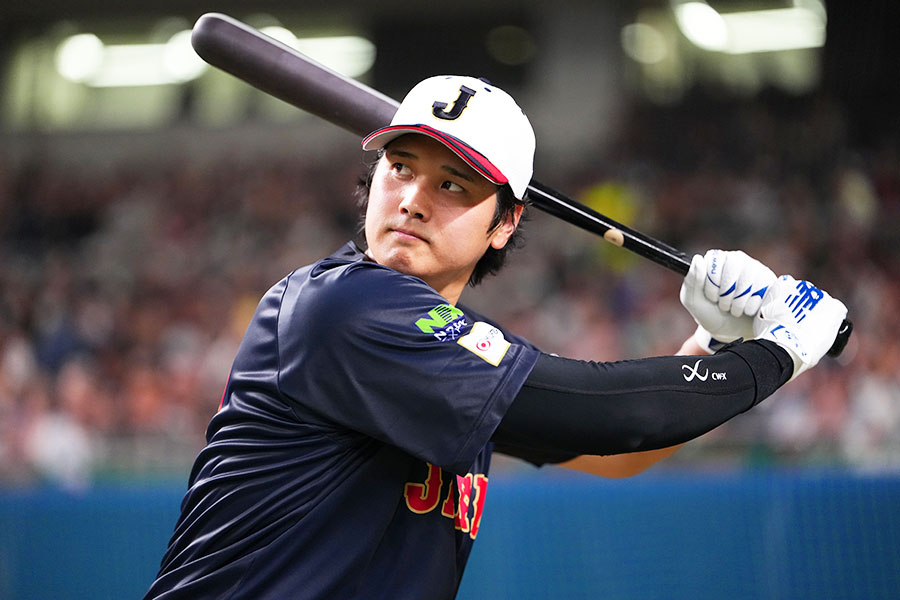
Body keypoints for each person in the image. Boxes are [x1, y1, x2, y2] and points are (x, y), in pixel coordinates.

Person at [142, 75, 847, 600]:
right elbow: (613, 413)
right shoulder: (346, 311)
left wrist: (710, 345)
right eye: (401, 167)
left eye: (454, 185)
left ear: (505, 223)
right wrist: (775, 352)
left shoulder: (438, 349)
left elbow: (611, 455)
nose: (413, 197)